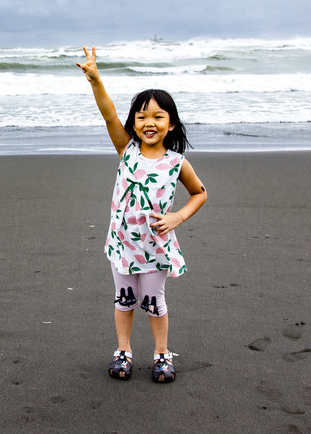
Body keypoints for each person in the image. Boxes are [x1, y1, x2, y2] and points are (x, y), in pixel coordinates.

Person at [76, 46, 207, 382]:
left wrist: (178, 217)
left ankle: (162, 354)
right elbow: (108, 115)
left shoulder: (177, 162)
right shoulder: (127, 150)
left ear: (172, 124)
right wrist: (95, 81)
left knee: (152, 301)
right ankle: (123, 351)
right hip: (123, 244)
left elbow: (200, 193)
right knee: (124, 300)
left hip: (155, 246)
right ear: (133, 124)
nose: (149, 123)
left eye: (158, 116)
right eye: (142, 117)